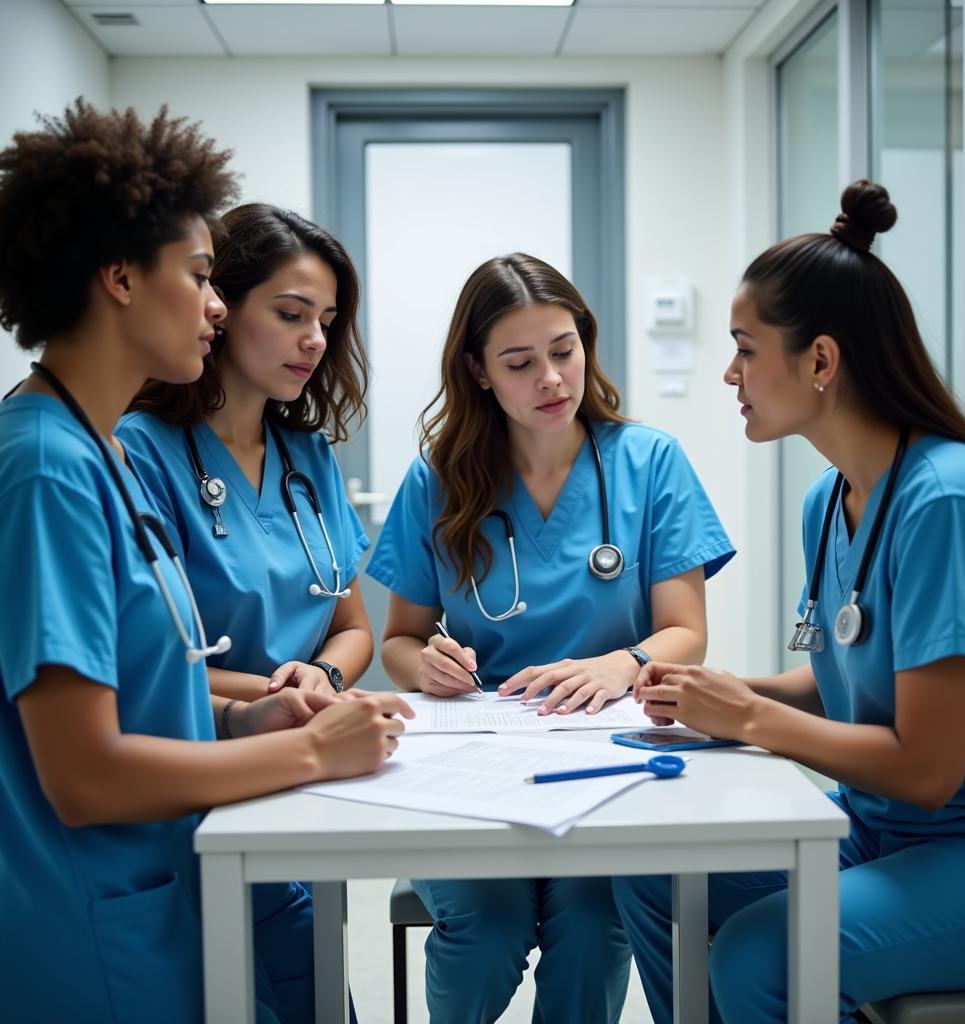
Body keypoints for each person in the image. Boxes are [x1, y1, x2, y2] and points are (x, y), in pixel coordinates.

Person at [0, 100, 411, 1024]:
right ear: (118, 279)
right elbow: (83, 772)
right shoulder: (45, 468)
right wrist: (310, 748)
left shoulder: (92, 448)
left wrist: (246, 714)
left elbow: (145, 687)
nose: (216, 304)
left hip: (177, 882)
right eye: (197, 275)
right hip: (100, 927)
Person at [613, 180, 965, 1023]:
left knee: (766, 955)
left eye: (744, 348)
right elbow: (835, 682)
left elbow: (927, 765)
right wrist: (715, 696)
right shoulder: (828, 503)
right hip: (882, 831)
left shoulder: (951, 501)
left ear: (822, 362)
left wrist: (749, 720)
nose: (729, 373)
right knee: (651, 871)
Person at [365, 252, 735, 1023]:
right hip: (471, 759)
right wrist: (425, 663)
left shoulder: (648, 462)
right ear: (478, 371)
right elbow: (397, 640)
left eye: (564, 350)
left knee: (596, 926)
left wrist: (622, 662)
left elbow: (686, 632)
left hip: (606, 759)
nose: (552, 380)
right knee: (486, 926)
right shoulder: (438, 477)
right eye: (520, 362)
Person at [116, 202, 376, 1020]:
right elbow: (151, 663)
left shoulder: (311, 456)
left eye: (327, 321)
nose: (315, 341)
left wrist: (323, 673)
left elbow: (355, 625)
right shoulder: (137, 449)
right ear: (220, 308)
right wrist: (273, 697)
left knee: (312, 980)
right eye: (292, 314)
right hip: (204, 775)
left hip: (306, 765)